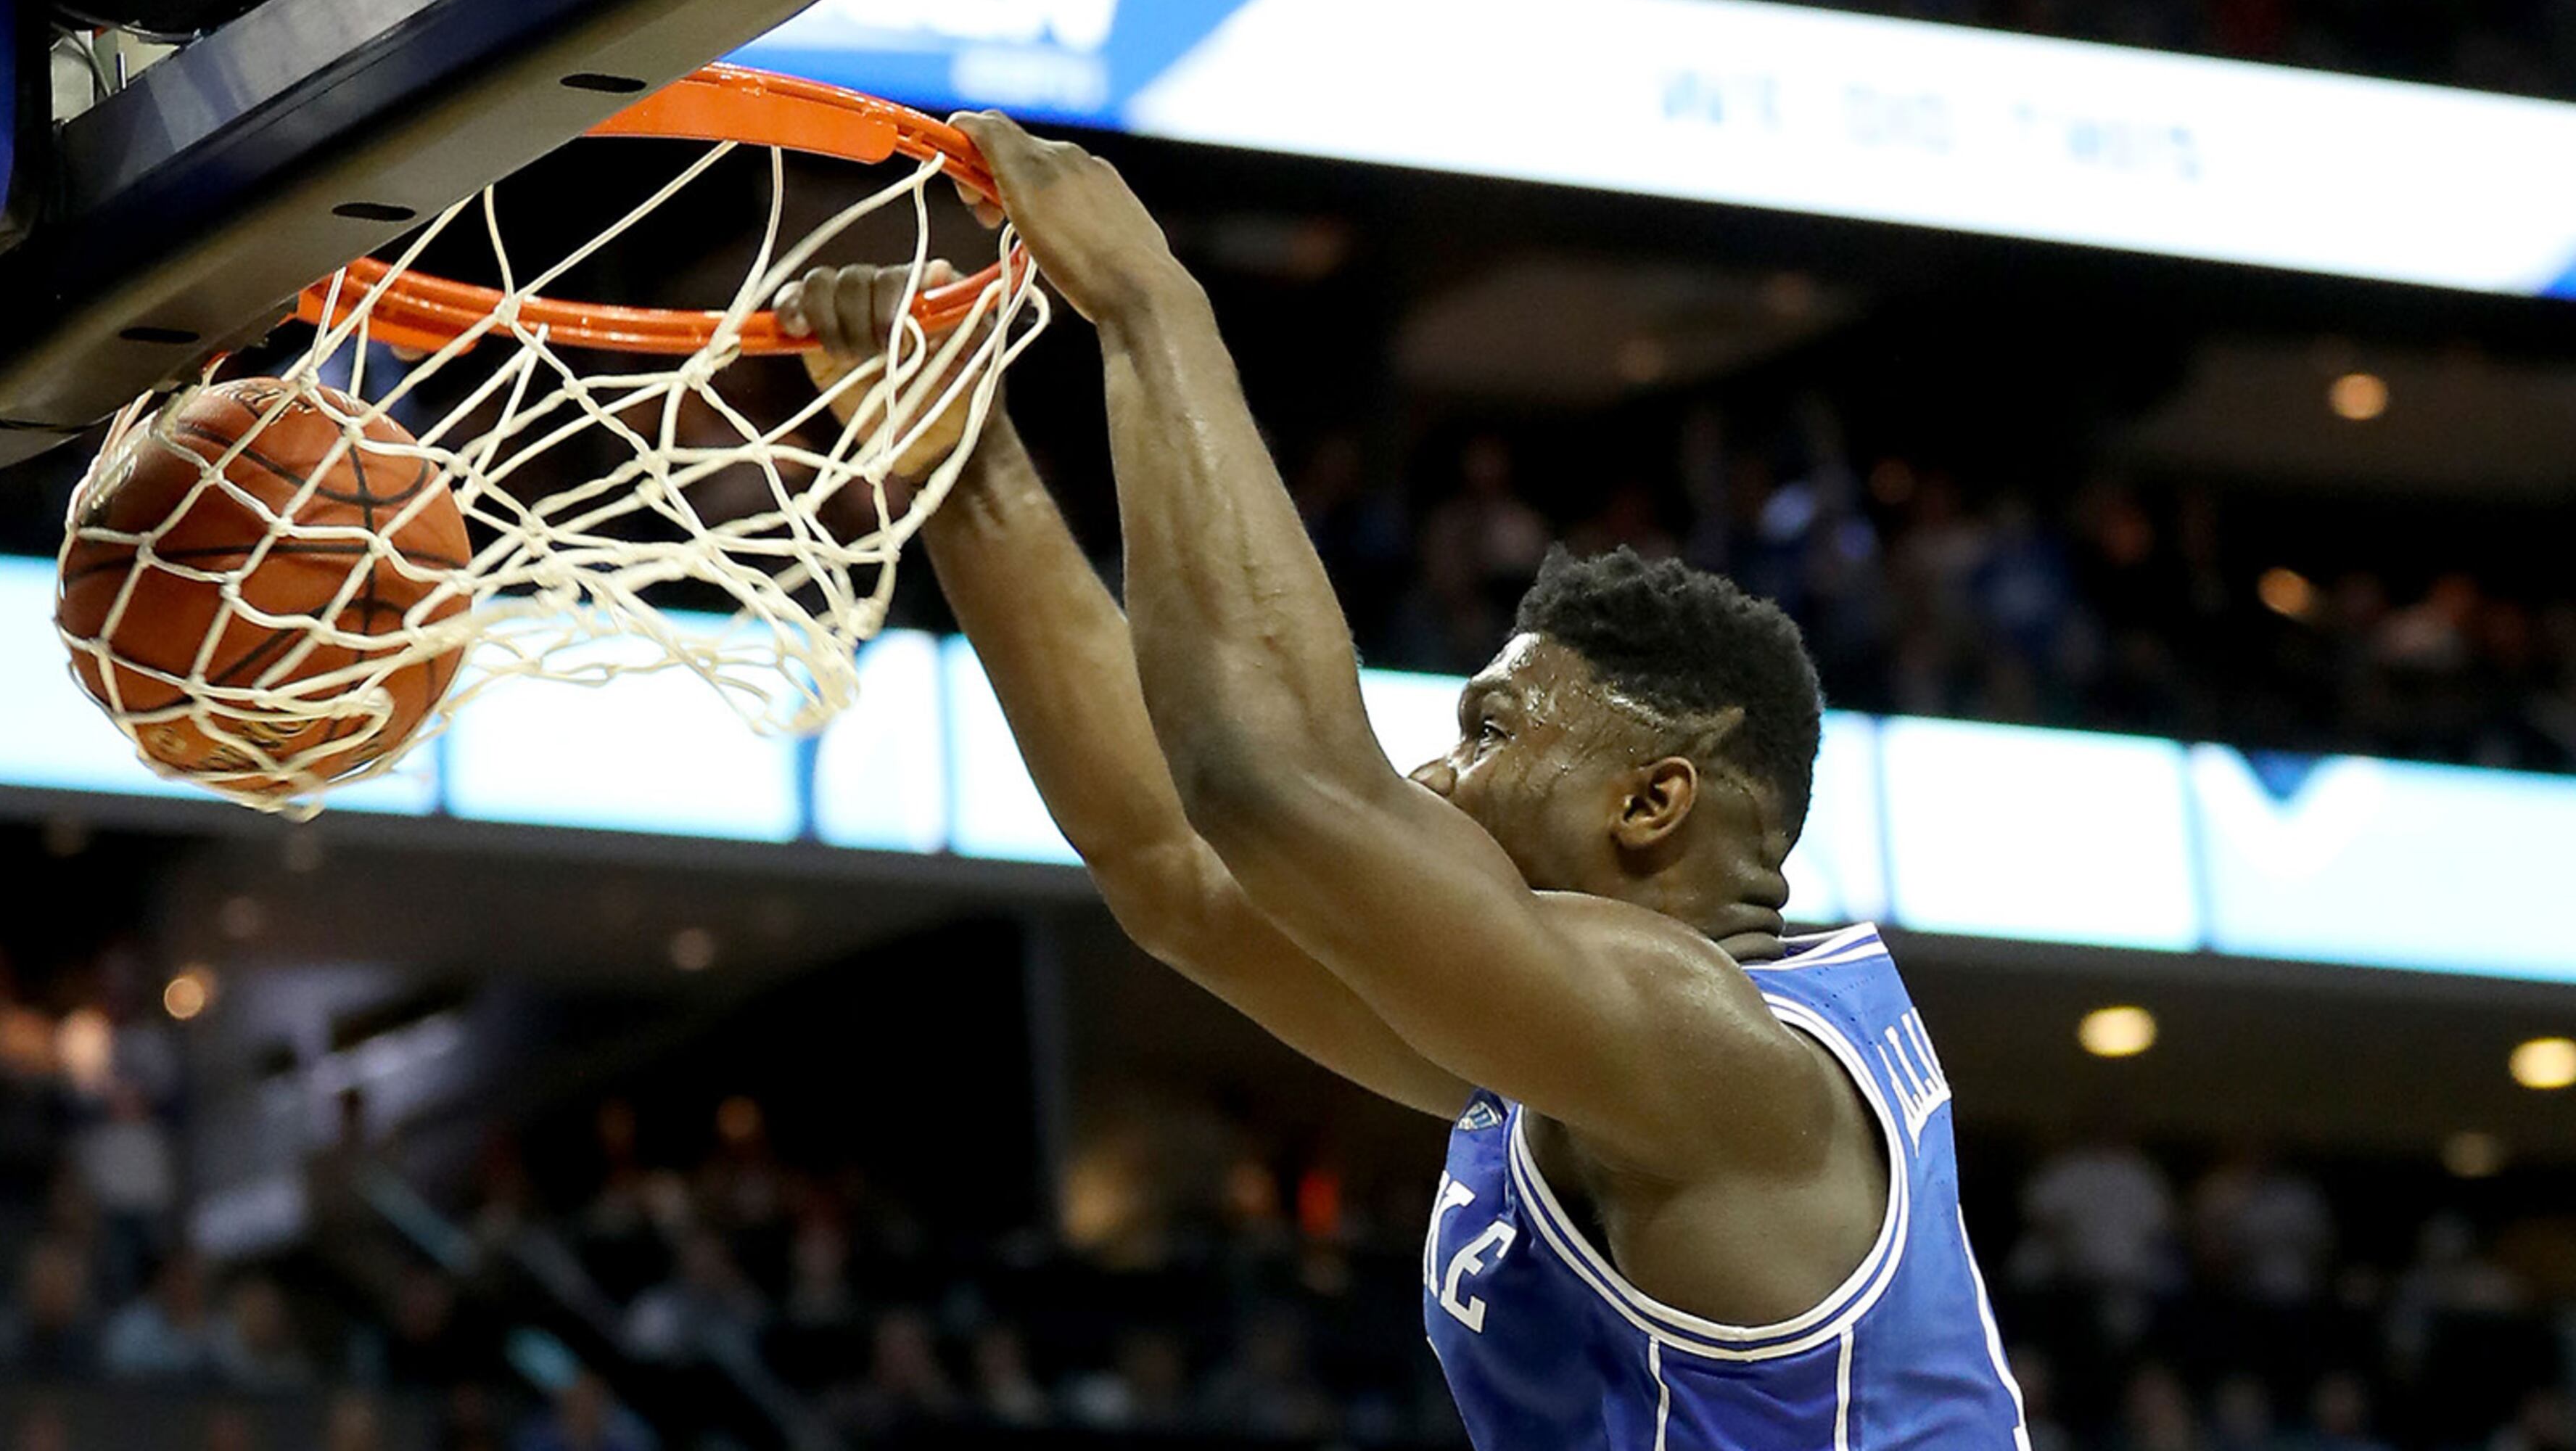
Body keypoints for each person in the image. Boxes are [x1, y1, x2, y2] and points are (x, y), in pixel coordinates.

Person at [773, 112, 2022, 1448]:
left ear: (1651, 803)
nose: (1435, 771)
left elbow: (1269, 780)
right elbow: (1178, 869)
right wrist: (962, 466)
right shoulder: (1580, 1061)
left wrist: (1148, 303)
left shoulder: (1709, 1050)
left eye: (1492, 733)